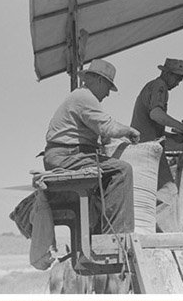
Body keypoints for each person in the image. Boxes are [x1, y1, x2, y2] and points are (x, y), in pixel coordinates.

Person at [42, 58, 139, 233]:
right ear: (100, 80)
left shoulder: (81, 97)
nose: (108, 94)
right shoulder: (84, 97)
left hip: (68, 155)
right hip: (66, 156)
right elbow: (106, 127)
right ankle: (118, 234)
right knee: (122, 171)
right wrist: (129, 130)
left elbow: (100, 131)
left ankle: (101, 232)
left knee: (106, 180)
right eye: (108, 88)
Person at [131, 57, 183, 232]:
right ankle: (173, 238)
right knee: (169, 194)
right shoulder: (160, 86)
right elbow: (156, 114)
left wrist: (174, 138)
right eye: (177, 78)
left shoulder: (152, 86)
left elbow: (151, 128)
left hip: (143, 148)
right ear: (166, 73)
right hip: (149, 151)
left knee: (157, 197)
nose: (179, 83)